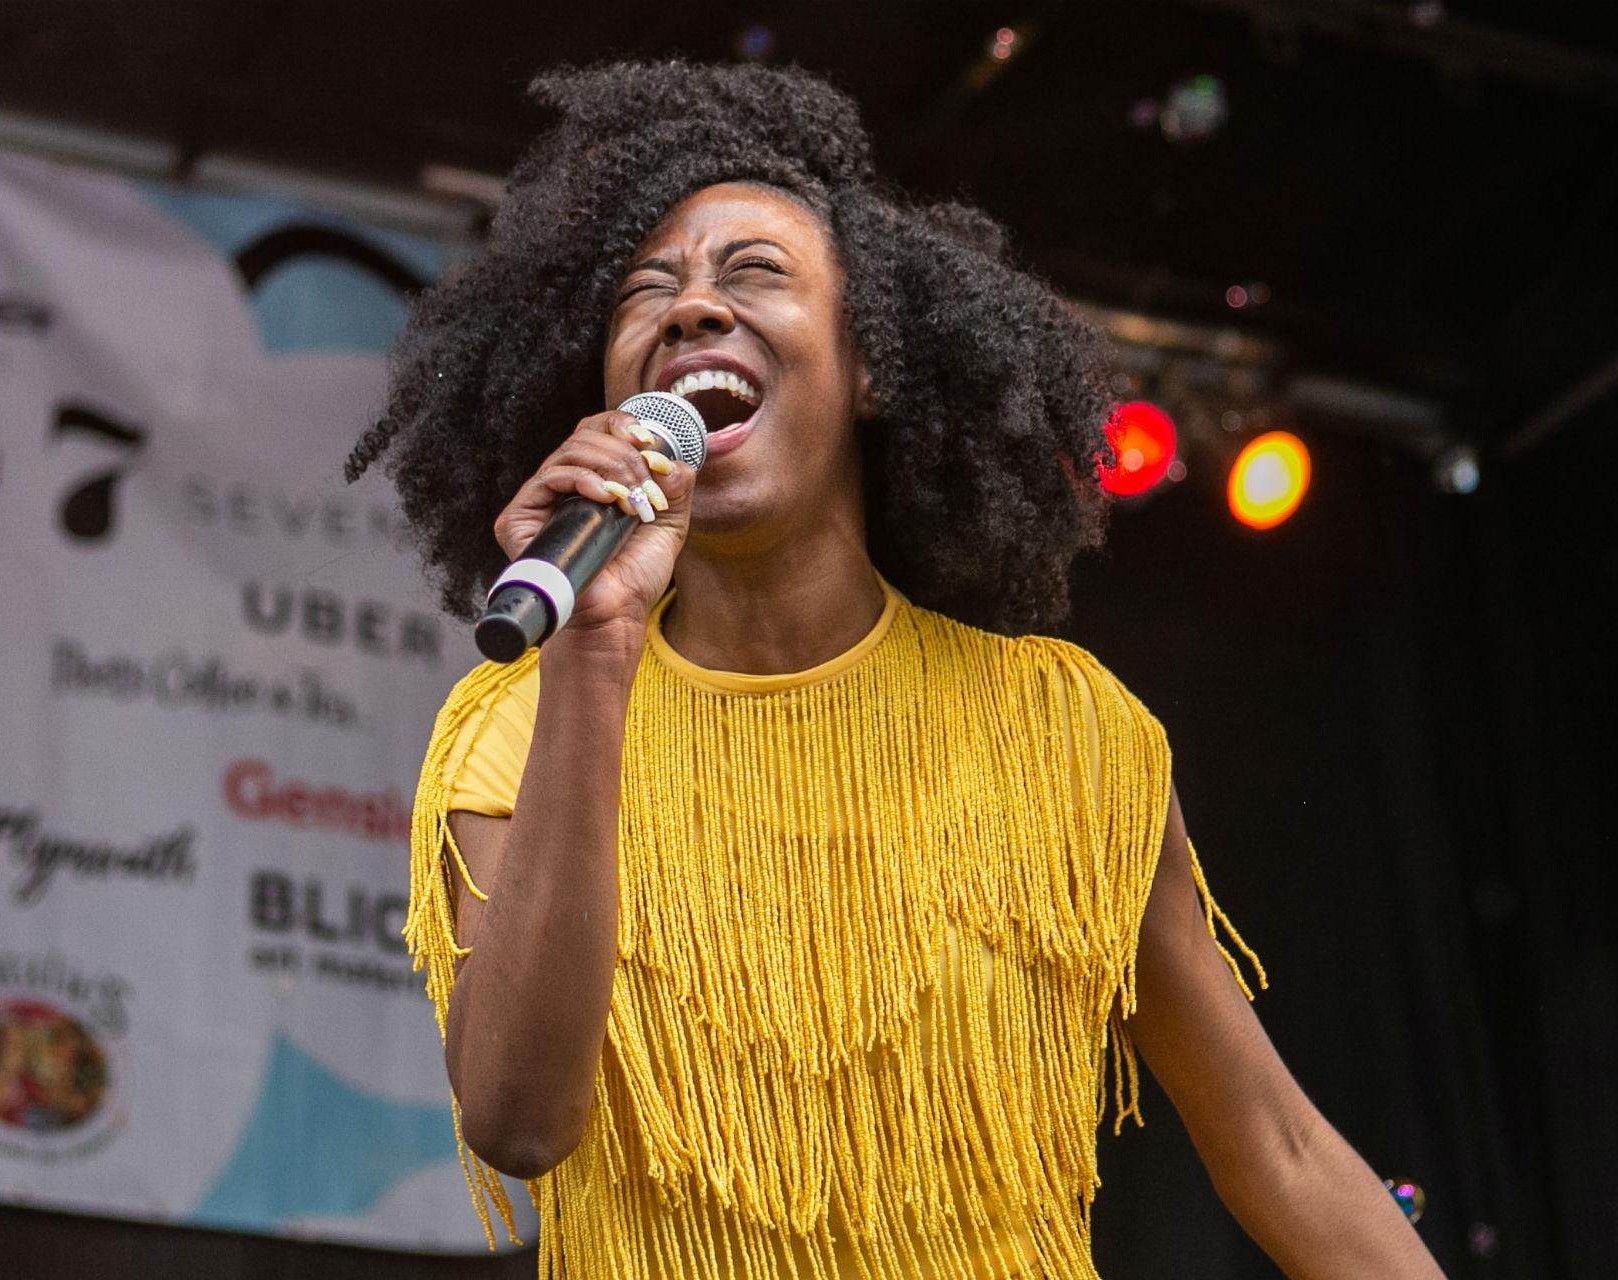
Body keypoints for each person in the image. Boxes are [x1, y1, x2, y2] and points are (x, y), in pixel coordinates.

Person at [349, 60, 1444, 1280]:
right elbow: (516, 1119)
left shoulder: (1062, 729)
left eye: (752, 272)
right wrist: (595, 650)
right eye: (645, 295)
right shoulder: (519, 720)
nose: (692, 308)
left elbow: (1279, 1145)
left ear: (874, 367)